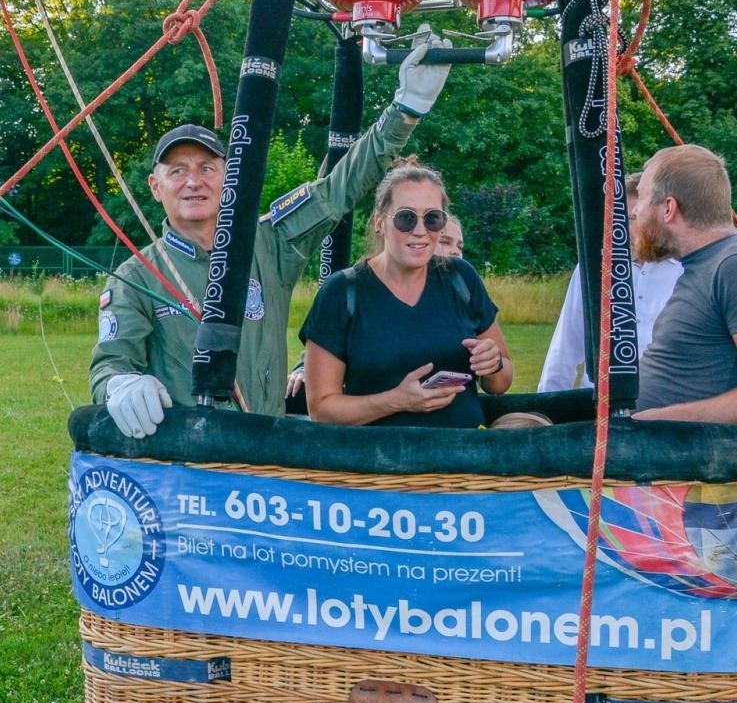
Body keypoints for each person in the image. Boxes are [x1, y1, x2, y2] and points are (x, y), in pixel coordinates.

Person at [91, 32, 455, 438]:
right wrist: (120, 384)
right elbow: (110, 364)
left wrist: (405, 110)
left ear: (228, 177)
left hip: (268, 453)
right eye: (177, 171)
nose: (193, 181)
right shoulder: (135, 276)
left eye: (207, 168)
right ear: (155, 187)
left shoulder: (271, 241)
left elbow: (339, 188)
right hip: (189, 458)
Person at [299, 161, 512, 428]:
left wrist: (493, 364)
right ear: (379, 223)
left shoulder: (461, 278)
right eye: (406, 218)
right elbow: (321, 409)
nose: (420, 231)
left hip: (464, 451)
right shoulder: (342, 292)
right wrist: (396, 401)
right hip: (381, 453)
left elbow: (500, 383)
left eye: (432, 218)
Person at [630, 145, 737, 422]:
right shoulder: (703, 263)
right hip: (641, 438)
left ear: (668, 208)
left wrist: (655, 421)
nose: (635, 211)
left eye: (641, 197)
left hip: (676, 445)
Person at [285, 212, 465, 404]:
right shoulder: (362, 288)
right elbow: (334, 341)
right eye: (445, 242)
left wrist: (486, 361)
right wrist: (305, 369)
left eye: (459, 246)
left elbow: (489, 373)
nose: (455, 251)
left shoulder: (462, 292)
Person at [538, 174, 682, 392]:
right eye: (620, 219)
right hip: (600, 401)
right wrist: (547, 405)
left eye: (634, 218)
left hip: (664, 402)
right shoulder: (594, 268)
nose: (626, 228)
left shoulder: (685, 271)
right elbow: (566, 346)